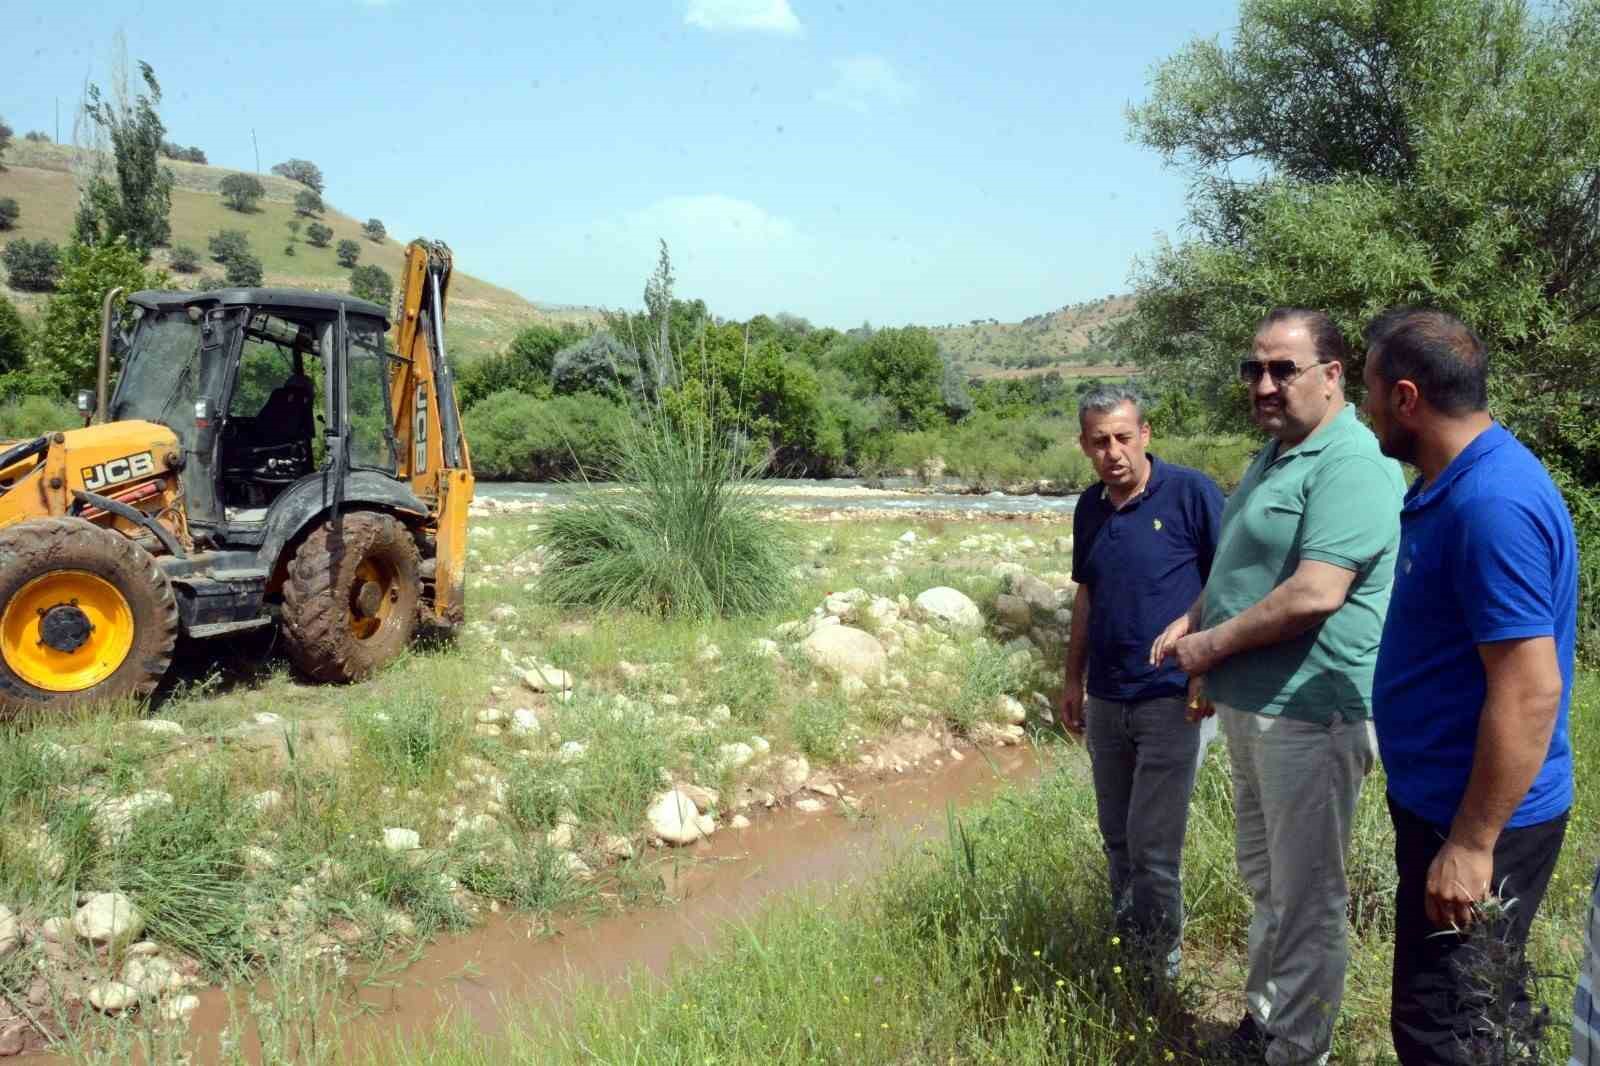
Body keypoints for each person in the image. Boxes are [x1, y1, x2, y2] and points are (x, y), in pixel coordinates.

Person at [1150, 307, 1405, 1065]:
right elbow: (1240, 561)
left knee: (1308, 899)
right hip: (1255, 704)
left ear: (1332, 375)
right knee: (1267, 882)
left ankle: (1298, 1050)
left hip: (1313, 711)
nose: (1263, 384)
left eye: (1281, 369)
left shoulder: (1351, 464)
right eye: (1252, 369)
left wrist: (1206, 646)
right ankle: (1264, 1024)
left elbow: (1313, 594)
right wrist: (1197, 620)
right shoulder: (1277, 452)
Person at [1361, 308, 1576, 1066]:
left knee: (1442, 1027)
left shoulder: (1493, 505)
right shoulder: (1452, 485)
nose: (1365, 410)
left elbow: (1529, 690)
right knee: (1483, 1009)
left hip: (1479, 818)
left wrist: (1473, 843)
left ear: (1408, 398)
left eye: (1369, 392)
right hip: (1444, 805)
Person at [1058, 383, 1224, 976]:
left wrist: (1192, 631)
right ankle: (1130, 953)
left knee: (1154, 845)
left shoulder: (1191, 493)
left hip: (1170, 698)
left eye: (1124, 437)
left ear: (1146, 435)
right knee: (1118, 839)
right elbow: (1087, 593)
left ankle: (1161, 969)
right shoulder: (1088, 507)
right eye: (1100, 441)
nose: (1114, 452)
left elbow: (1231, 578)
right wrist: (1071, 679)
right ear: (1084, 445)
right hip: (1106, 697)